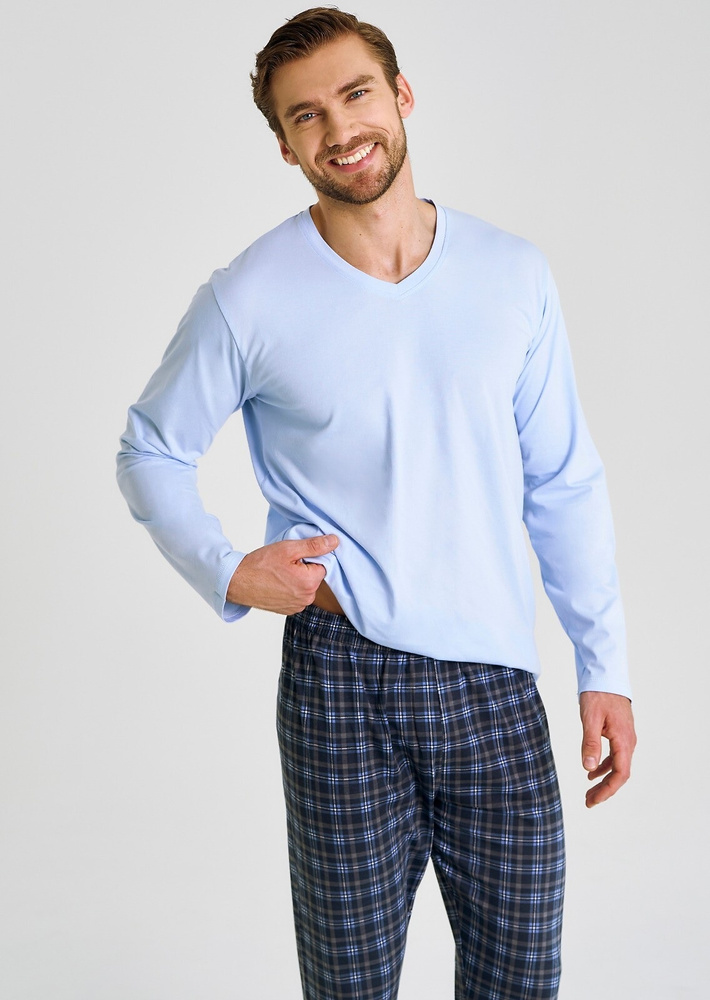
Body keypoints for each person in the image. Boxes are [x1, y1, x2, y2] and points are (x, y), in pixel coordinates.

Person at [117, 8, 636, 999]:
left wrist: (602, 664)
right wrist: (228, 569)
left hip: (494, 680)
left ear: (401, 96)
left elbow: (562, 479)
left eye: (356, 94)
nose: (339, 128)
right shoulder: (248, 296)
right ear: (285, 145)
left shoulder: (512, 274)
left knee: (521, 981)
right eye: (305, 115)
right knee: (348, 984)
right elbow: (150, 448)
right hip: (340, 678)